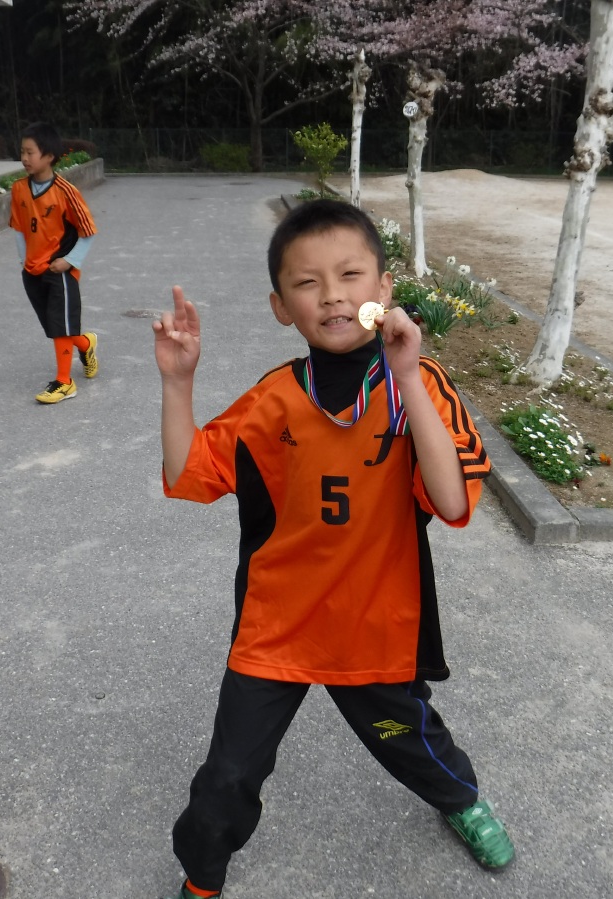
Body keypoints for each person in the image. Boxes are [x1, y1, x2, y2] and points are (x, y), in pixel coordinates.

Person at [152, 199, 514, 899]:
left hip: (372, 623)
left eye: (350, 275)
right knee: (227, 775)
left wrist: (407, 377)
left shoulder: (419, 386)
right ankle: (202, 877)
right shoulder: (272, 401)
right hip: (277, 625)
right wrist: (177, 383)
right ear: (281, 306)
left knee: (411, 739)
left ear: (383, 288)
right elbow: (187, 474)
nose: (332, 295)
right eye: (307, 282)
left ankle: (463, 800)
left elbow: (452, 502)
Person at [10, 122, 99, 404]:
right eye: (22, 152)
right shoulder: (18, 189)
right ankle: (86, 343)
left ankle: (64, 382)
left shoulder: (65, 191)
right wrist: (24, 261)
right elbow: (19, 228)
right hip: (32, 270)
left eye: (30, 152)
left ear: (49, 156)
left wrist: (69, 261)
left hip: (59, 269)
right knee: (55, 326)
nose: (25, 158)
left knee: (60, 325)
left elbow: (88, 232)